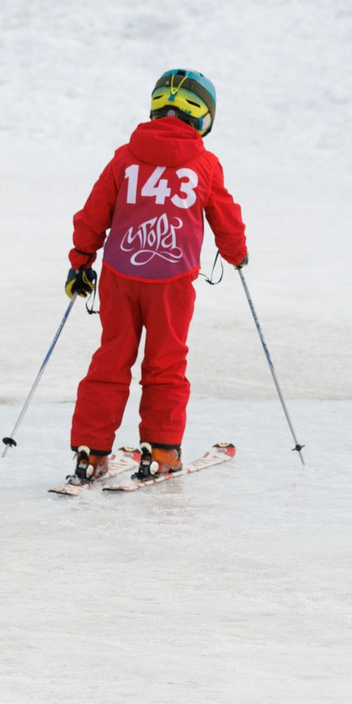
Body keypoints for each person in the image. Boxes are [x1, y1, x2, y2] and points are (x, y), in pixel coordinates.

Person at [64, 69, 248, 485]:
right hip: (171, 281)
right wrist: (237, 254)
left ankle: (91, 453)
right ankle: (162, 450)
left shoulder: (125, 157)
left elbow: (94, 213)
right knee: (165, 362)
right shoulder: (204, 163)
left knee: (111, 359)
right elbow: (225, 215)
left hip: (119, 276)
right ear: (203, 117)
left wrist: (81, 259)